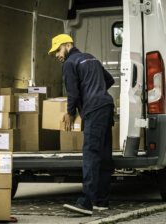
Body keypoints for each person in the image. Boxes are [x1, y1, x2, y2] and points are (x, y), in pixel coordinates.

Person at [48, 34, 115, 215]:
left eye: (58, 50)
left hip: (94, 109)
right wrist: (96, 91)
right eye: (54, 52)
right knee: (103, 154)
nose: (56, 55)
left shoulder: (69, 64)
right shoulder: (91, 57)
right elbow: (109, 80)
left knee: (91, 155)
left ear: (68, 45)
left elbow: (73, 92)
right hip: (107, 106)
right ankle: (102, 201)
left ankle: (85, 203)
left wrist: (70, 113)